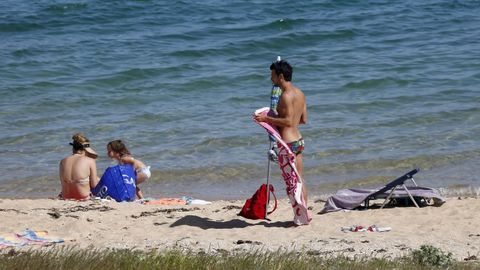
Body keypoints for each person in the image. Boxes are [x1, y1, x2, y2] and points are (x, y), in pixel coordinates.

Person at [253, 59, 308, 201]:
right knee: (299, 180)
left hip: (288, 144)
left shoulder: (285, 96)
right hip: (299, 140)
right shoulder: (300, 93)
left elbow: (288, 121)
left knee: (292, 183)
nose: (271, 79)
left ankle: (299, 217)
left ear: (281, 76)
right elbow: (303, 120)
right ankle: (305, 214)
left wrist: (266, 119)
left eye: (273, 75)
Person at [59, 133, 99, 200]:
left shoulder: (62, 161)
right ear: (85, 149)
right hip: (83, 197)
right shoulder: (90, 161)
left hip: (66, 196)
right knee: (97, 179)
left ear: (73, 147)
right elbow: (94, 185)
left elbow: (63, 184)